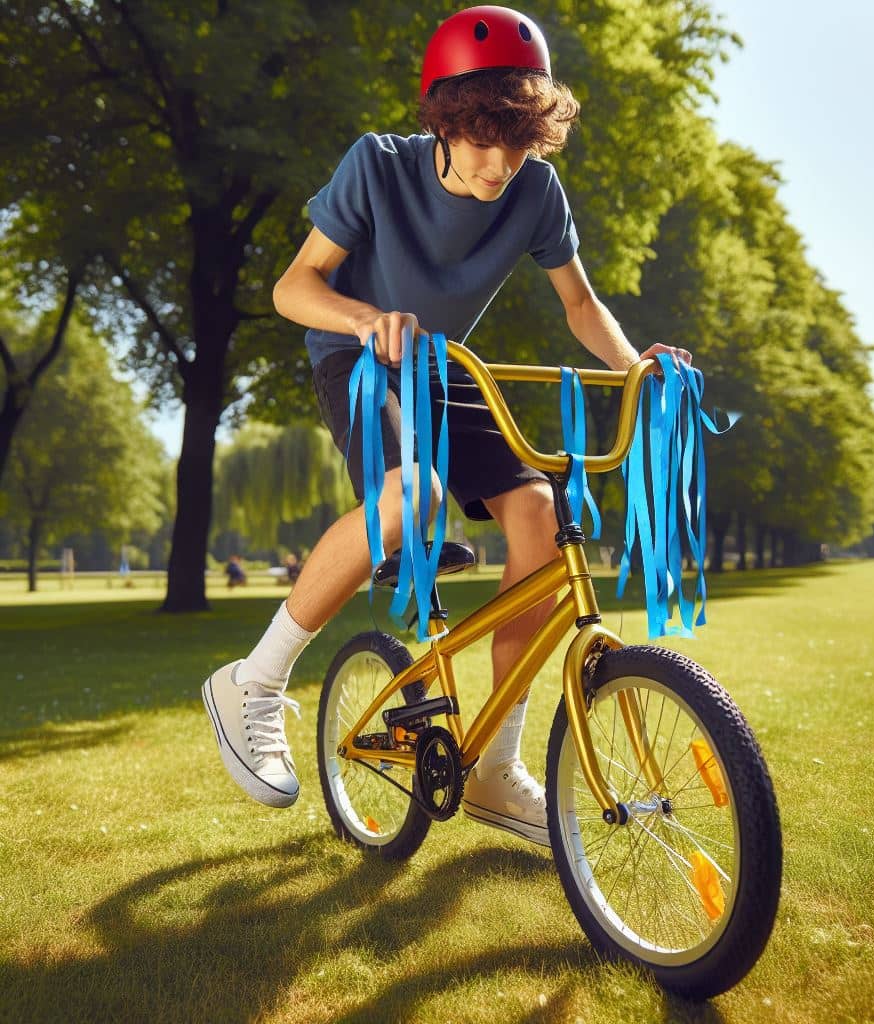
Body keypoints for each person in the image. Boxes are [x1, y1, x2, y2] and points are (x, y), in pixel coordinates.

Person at [201, 5, 691, 846]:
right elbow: (294, 287)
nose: (499, 164)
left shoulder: (534, 189)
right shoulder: (375, 167)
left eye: (519, 140)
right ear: (446, 119)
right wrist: (364, 318)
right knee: (414, 494)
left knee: (539, 512)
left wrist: (636, 368)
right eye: (481, 139)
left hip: (443, 366)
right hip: (355, 360)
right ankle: (254, 678)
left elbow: (580, 303)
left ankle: (496, 768)